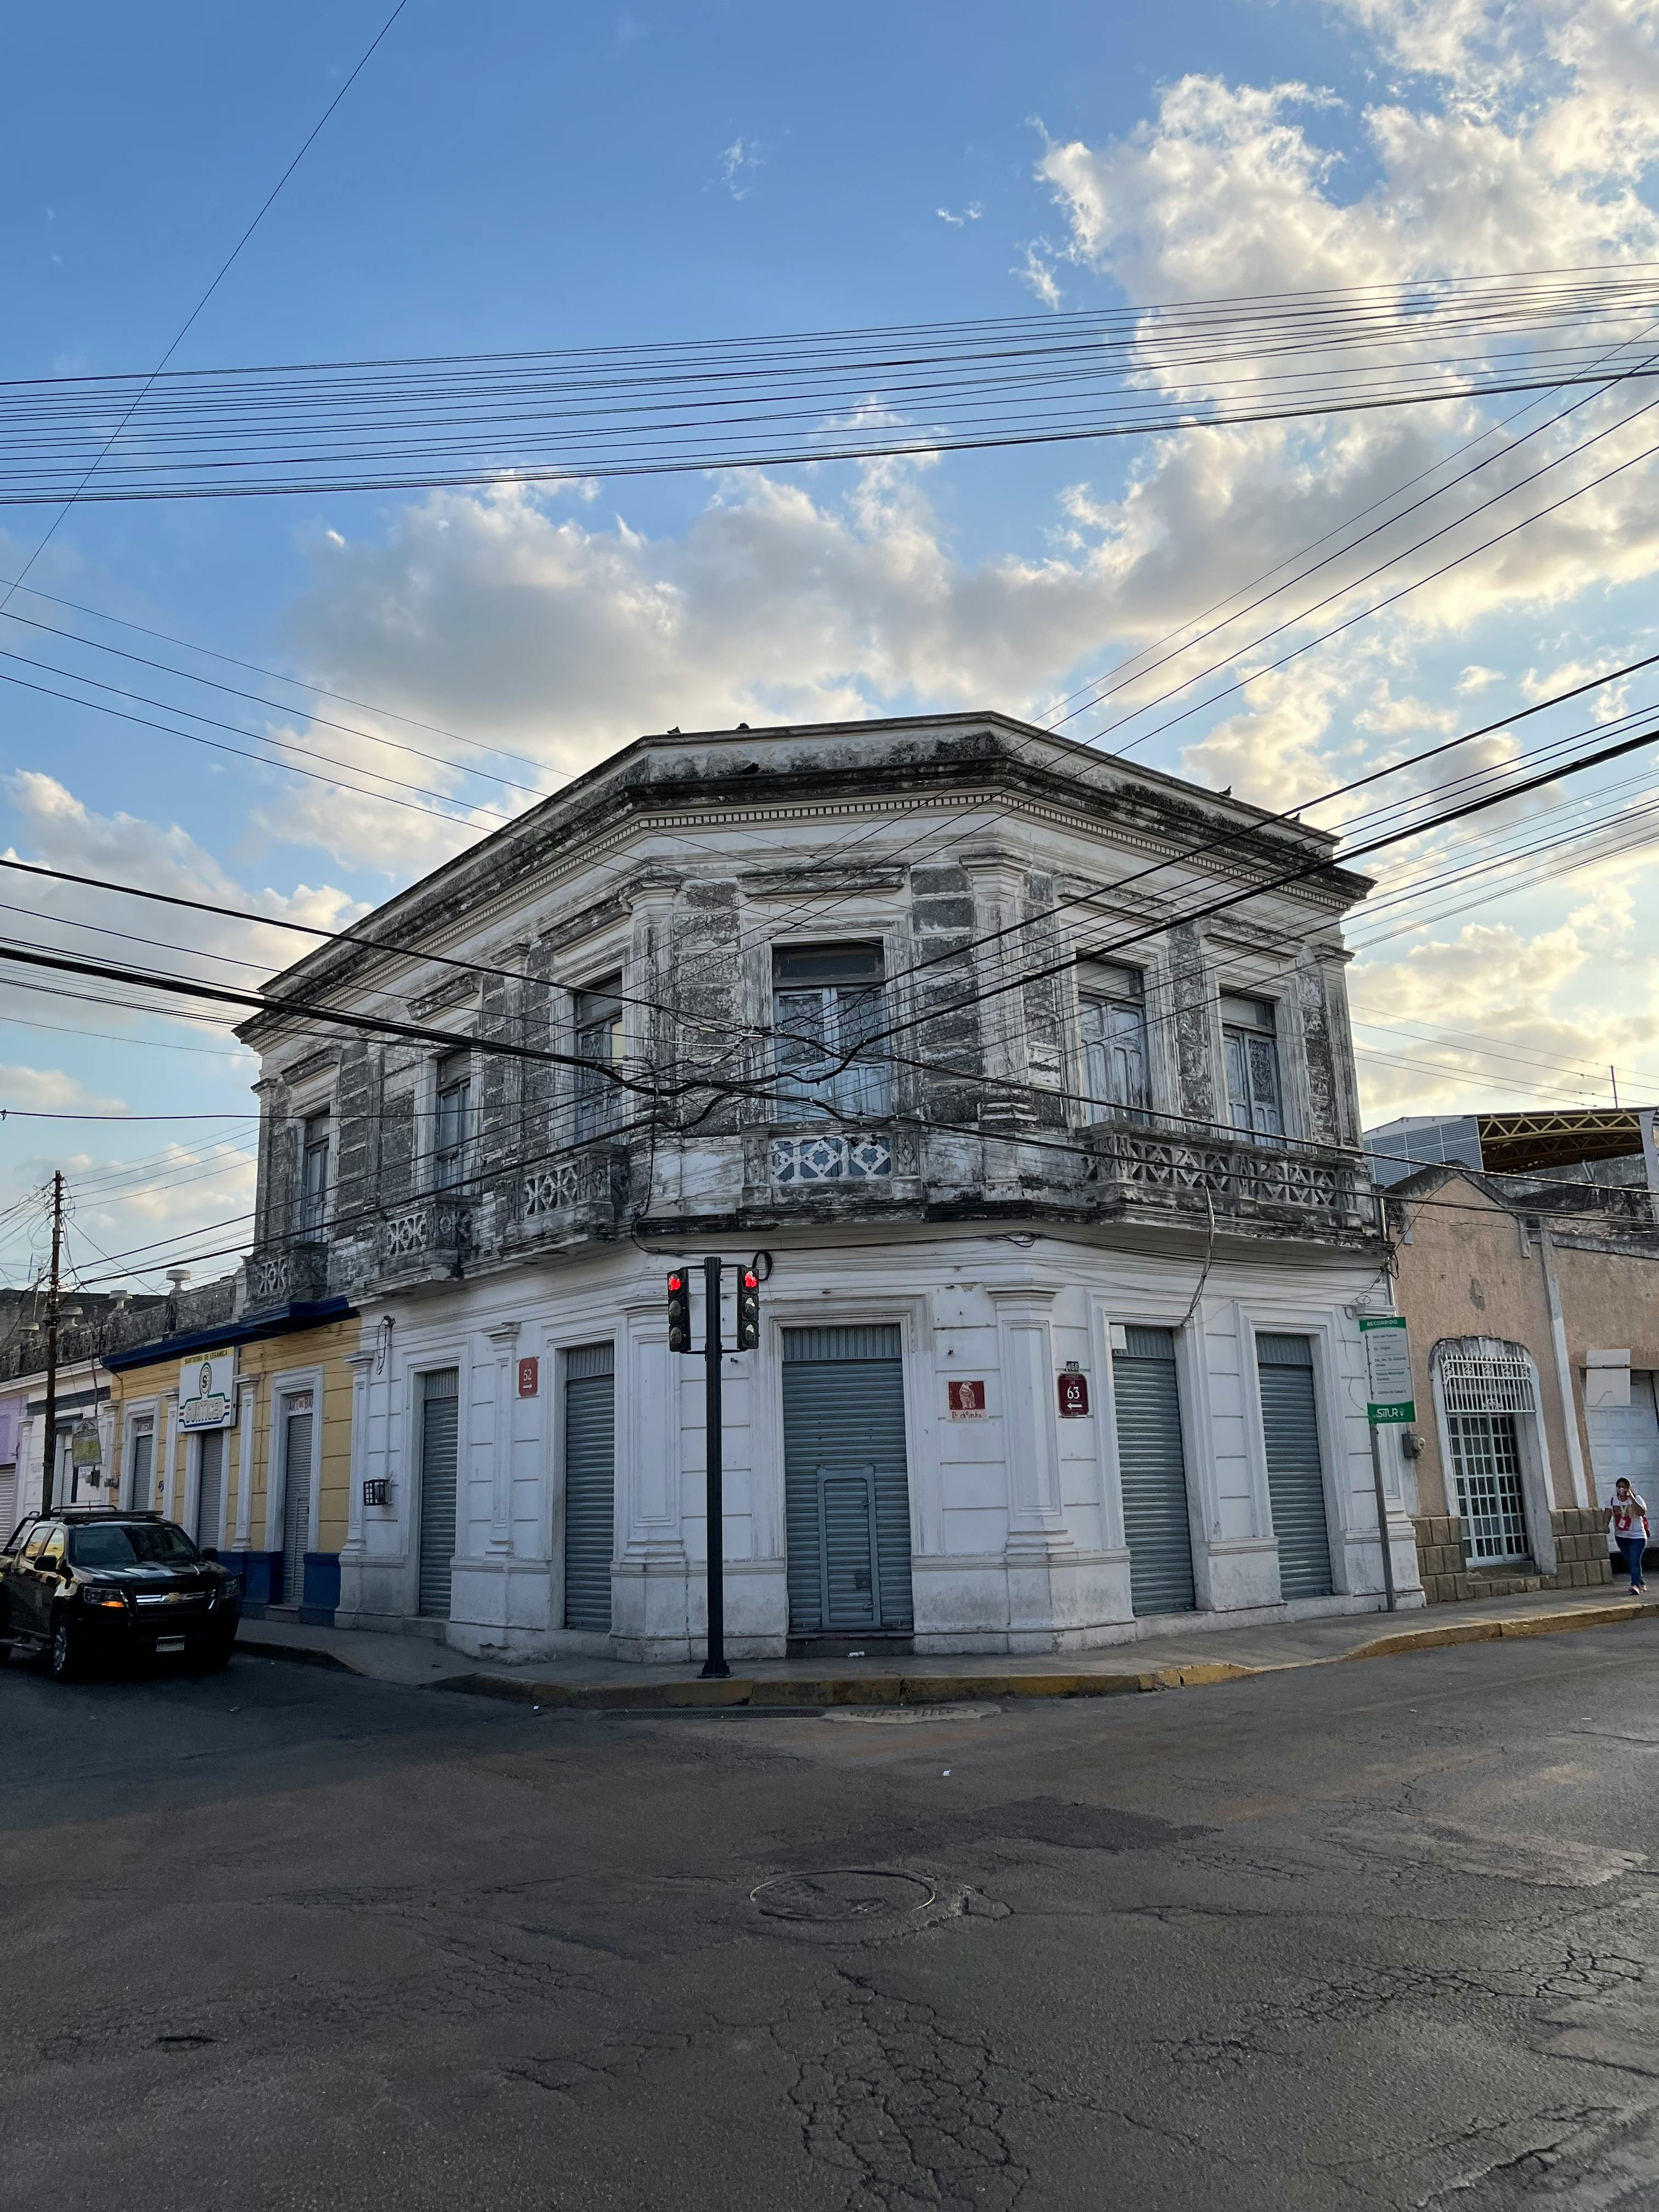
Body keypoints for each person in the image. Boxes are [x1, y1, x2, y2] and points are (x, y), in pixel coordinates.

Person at [1605, 1477, 1651, 1596]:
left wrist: (1632, 1498)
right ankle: (1641, 1583)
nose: (1621, 1489)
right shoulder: (1612, 1501)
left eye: (1624, 1487)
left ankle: (1635, 1585)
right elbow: (1607, 1515)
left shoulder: (1637, 1499)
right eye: (1619, 1486)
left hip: (1638, 1536)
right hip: (1621, 1536)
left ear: (1629, 1488)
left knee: (1634, 1560)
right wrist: (1605, 1526)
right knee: (1631, 1561)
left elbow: (1642, 1513)